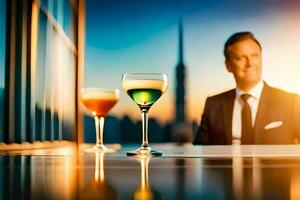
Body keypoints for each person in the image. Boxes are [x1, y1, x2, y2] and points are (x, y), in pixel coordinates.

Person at [193, 31, 300, 145]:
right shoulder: (213, 105)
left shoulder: (291, 102)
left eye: (254, 56)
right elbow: (199, 151)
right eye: (241, 58)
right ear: (228, 66)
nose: (250, 63)